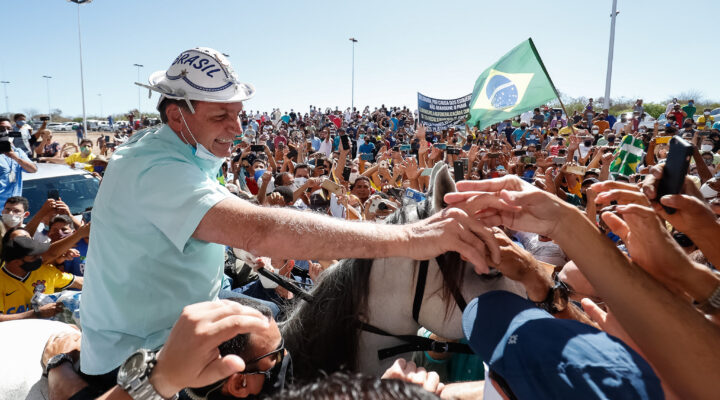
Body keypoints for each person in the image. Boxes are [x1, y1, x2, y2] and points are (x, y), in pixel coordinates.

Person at [79, 47, 499, 391]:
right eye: (221, 116)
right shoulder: (157, 168)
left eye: (239, 113)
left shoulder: (181, 149)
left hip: (191, 320)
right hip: (142, 350)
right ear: (176, 115)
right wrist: (409, 239)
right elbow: (261, 230)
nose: (237, 127)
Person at [0, 228, 83, 321]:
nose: (41, 259)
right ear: (16, 262)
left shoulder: (45, 270)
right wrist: (36, 314)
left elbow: (78, 282)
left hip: (49, 331)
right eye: (34, 257)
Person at [0, 118, 38, 208]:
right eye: (1, 129)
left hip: (14, 209)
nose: (6, 131)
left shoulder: (18, 152)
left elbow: (33, 169)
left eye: (9, 129)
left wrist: (15, 157)